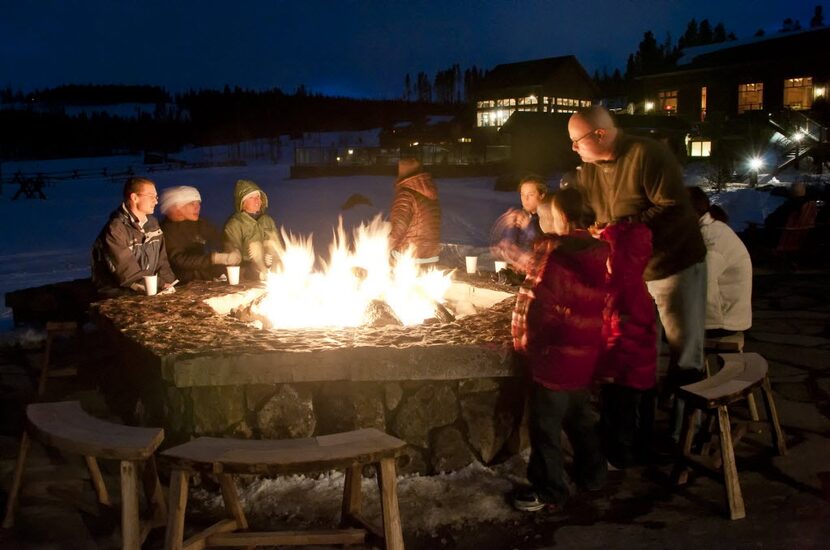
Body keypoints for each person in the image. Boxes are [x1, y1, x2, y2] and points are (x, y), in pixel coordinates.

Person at [567, 105, 707, 440]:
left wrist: (622, 230)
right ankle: (640, 434)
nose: (573, 147)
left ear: (601, 134)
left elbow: (672, 207)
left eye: (577, 140)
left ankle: (687, 434)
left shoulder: (647, 154)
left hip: (673, 265)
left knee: (684, 352)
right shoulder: (590, 171)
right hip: (632, 276)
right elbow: (585, 212)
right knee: (639, 353)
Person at [511, 188, 609, 512]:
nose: (543, 221)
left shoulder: (558, 258)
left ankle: (550, 489)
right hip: (584, 355)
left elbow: (541, 311)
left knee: (546, 429)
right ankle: (594, 475)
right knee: (582, 421)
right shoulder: (598, 253)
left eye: (548, 215)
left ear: (563, 218)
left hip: (554, 361)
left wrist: (536, 348)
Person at [595, 221, 657, 468]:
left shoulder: (626, 290)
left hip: (625, 372)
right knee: (637, 415)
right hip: (638, 369)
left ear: (618, 254)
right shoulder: (630, 283)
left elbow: (623, 335)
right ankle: (641, 451)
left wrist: (610, 369)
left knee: (621, 415)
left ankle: (620, 457)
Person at [91, 176, 176, 296]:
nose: (156, 201)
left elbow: (162, 263)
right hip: (118, 295)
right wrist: (160, 285)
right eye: (151, 197)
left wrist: (169, 284)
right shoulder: (116, 229)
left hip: (149, 290)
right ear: (134, 197)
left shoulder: (152, 224)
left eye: (156, 197)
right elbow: (127, 274)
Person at [688, 187, 752, 336]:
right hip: (718, 315)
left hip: (721, 321)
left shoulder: (712, 238)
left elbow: (697, 279)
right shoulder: (707, 229)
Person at [159, 185, 241, 284]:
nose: (197, 207)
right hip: (179, 283)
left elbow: (218, 239)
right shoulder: (167, 230)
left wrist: (231, 248)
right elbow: (178, 260)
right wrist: (214, 259)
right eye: (192, 204)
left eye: (198, 203)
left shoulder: (199, 223)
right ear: (178, 207)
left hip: (202, 278)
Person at [223, 179, 280, 282]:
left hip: (273, 271)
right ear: (242, 203)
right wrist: (254, 265)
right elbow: (232, 258)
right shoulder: (235, 224)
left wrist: (271, 255)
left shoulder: (267, 220)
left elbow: (277, 247)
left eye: (258, 197)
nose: (257, 200)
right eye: (252, 197)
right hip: (248, 276)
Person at [494, 175, 547, 282]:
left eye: (530, 195)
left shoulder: (548, 216)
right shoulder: (520, 215)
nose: (525, 199)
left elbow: (545, 243)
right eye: (522, 195)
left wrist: (528, 227)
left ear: (542, 195)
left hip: (543, 272)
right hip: (523, 269)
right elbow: (509, 245)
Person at [388, 158, 441, 264]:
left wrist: (384, 247)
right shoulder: (431, 195)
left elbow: (399, 228)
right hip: (431, 255)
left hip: (409, 255)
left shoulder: (406, 194)